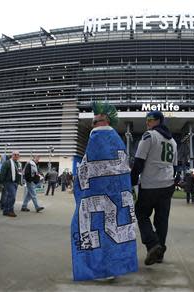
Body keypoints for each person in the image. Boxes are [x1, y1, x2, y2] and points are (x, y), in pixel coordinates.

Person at [70, 101, 137, 281]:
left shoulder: (97, 137)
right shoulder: (117, 140)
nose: (93, 125)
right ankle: (114, 267)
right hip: (116, 197)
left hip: (95, 199)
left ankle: (99, 269)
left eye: (94, 121)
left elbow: (85, 172)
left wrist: (79, 187)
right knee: (113, 232)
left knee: (91, 228)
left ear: (103, 121)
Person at [131, 110, 177, 266]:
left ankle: (152, 245)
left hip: (150, 184)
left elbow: (138, 162)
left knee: (141, 213)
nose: (147, 122)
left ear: (158, 120)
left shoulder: (149, 136)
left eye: (149, 119)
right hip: (168, 184)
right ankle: (160, 253)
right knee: (162, 219)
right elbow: (175, 166)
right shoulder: (173, 142)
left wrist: (131, 182)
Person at [0, 151, 22, 217]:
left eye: (17, 155)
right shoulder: (7, 163)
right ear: (12, 155)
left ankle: (5, 210)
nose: (16, 156)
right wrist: (1, 182)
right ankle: (10, 210)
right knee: (12, 197)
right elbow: (2, 173)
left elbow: (19, 173)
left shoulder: (19, 164)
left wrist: (20, 181)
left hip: (15, 182)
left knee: (9, 197)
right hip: (8, 182)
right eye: (15, 155)